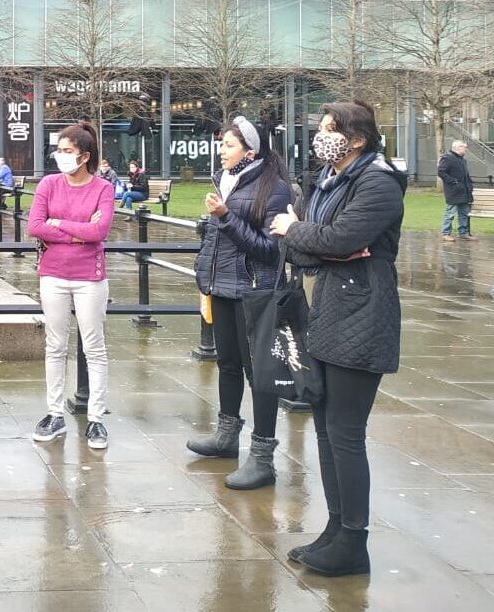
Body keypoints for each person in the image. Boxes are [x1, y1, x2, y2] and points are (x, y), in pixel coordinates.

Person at [269, 101, 405, 577]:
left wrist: (299, 230)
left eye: (331, 130)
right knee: (326, 429)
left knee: (346, 433)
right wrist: (309, 236)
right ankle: (336, 527)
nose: (320, 136)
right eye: (321, 128)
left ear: (358, 139)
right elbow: (315, 247)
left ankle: (354, 542)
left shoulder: (378, 182)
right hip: (330, 309)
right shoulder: (331, 182)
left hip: (364, 314)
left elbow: (339, 239)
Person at [186, 116, 292, 489]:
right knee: (227, 364)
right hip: (222, 288)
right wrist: (204, 272)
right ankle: (227, 436)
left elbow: (269, 250)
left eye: (228, 145)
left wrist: (226, 217)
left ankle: (262, 457)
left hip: (253, 292)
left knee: (259, 374)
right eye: (222, 144)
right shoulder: (225, 182)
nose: (221, 151)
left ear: (250, 151)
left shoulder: (275, 189)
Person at [28, 121, 114, 449]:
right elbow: (35, 226)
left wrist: (58, 223)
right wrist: (79, 230)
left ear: (84, 156)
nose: (61, 156)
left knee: (94, 346)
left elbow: (100, 232)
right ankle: (54, 413)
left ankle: (95, 418)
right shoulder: (49, 184)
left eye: (68, 151)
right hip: (52, 274)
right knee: (55, 344)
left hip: (89, 277)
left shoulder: (103, 188)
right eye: (59, 150)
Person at [438, 140, 475, 242]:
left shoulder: (463, 160)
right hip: (453, 192)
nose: (466, 149)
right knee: (450, 213)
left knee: (464, 213)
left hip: (464, 191)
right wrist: (453, 182)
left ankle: (463, 233)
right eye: (464, 147)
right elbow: (441, 172)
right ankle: (446, 233)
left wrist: (470, 185)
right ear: (458, 148)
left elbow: (466, 176)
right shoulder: (447, 158)